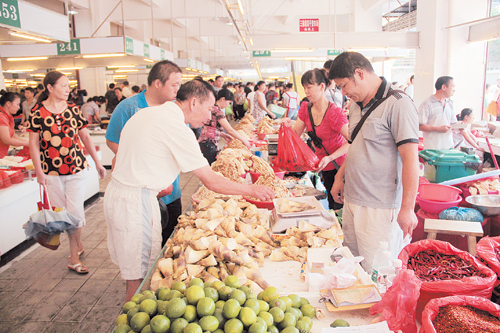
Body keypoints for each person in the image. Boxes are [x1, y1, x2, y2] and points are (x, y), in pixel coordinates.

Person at [104, 78, 274, 301]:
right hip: (135, 206)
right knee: (140, 279)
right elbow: (211, 180)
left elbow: (121, 160)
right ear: (193, 103)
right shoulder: (176, 128)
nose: (208, 117)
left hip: (120, 196)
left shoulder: (148, 113)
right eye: (207, 109)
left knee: (134, 272)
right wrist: (251, 190)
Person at [328, 52, 419, 272]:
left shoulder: (398, 104)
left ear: (360, 73)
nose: (343, 92)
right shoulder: (357, 105)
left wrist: (407, 209)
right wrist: (340, 176)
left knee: (378, 272)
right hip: (352, 200)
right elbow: (356, 145)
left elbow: (410, 160)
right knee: (352, 266)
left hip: (379, 208)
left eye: (344, 85)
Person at [27, 71, 106, 274]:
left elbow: (86, 137)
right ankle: (77, 244)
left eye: (68, 86)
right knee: (62, 216)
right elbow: (34, 145)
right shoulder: (37, 112)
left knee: (75, 214)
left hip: (76, 169)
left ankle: (73, 258)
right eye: (63, 86)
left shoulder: (72, 110)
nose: (67, 90)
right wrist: (39, 172)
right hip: (51, 173)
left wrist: (97, 163)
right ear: (50, 88)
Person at [105, 60, 183, 249]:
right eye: (174, 85)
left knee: (170, 242)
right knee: (143, 248)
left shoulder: (174, 109)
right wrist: (137, 159)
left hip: (171, 191)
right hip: (140, 194)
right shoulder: (128, 108)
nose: (177, 90)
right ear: (158, 83)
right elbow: (112, 139)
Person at [290, 68, 349, 210]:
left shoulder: (335, 113)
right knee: (331, 201)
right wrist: (286, 127)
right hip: (324, 166)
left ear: (322, 86)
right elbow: (295, 133)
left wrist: (330, 158)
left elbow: (352, 142)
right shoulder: (305, 108)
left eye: (309, 87)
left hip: (340, 166)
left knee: (340, 206)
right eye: (304, 88)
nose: (306, 91)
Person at [198, 88, 251, 164]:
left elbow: (211, 127)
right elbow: (230, 130)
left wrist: (223, 134)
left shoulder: (212, 108)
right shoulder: (218, 111)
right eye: (228, 102)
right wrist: (244, 140)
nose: (228, 105)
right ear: (222, 99)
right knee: (211, 169)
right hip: (209, 144)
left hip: (204, 142)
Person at [419, 76, 456, 150]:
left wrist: (459, 127)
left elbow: (453, 123)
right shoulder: (427, 104)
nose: (454, 90)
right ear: (444, 87)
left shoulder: (450, 104)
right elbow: (420, 126)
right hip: (432, 148)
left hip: (448, 147)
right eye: (452, 87)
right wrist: (438, 129)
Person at [0, 92, 28, 158]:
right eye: (17, 104)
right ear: (8, 104)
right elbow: (6, 140)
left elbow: (12, 136)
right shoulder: (1, 117)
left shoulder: (8, 117)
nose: (18, 108)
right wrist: (26, 143)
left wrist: (26, 142)